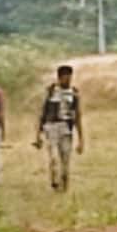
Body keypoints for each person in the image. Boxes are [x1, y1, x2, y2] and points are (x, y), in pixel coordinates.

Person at [35, 65, 86, 193]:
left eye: (69, 77)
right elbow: (42, 113)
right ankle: (55, 183)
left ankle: (64, 185)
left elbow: (77, 116)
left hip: (66, 128)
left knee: (65, 161)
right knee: (54, 158)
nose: (67, 80)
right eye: (65, 77)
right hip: (51, 127)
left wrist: (81, 139)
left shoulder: (73, 94)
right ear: (59, 78)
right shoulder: (51, 92)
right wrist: (38, 134)